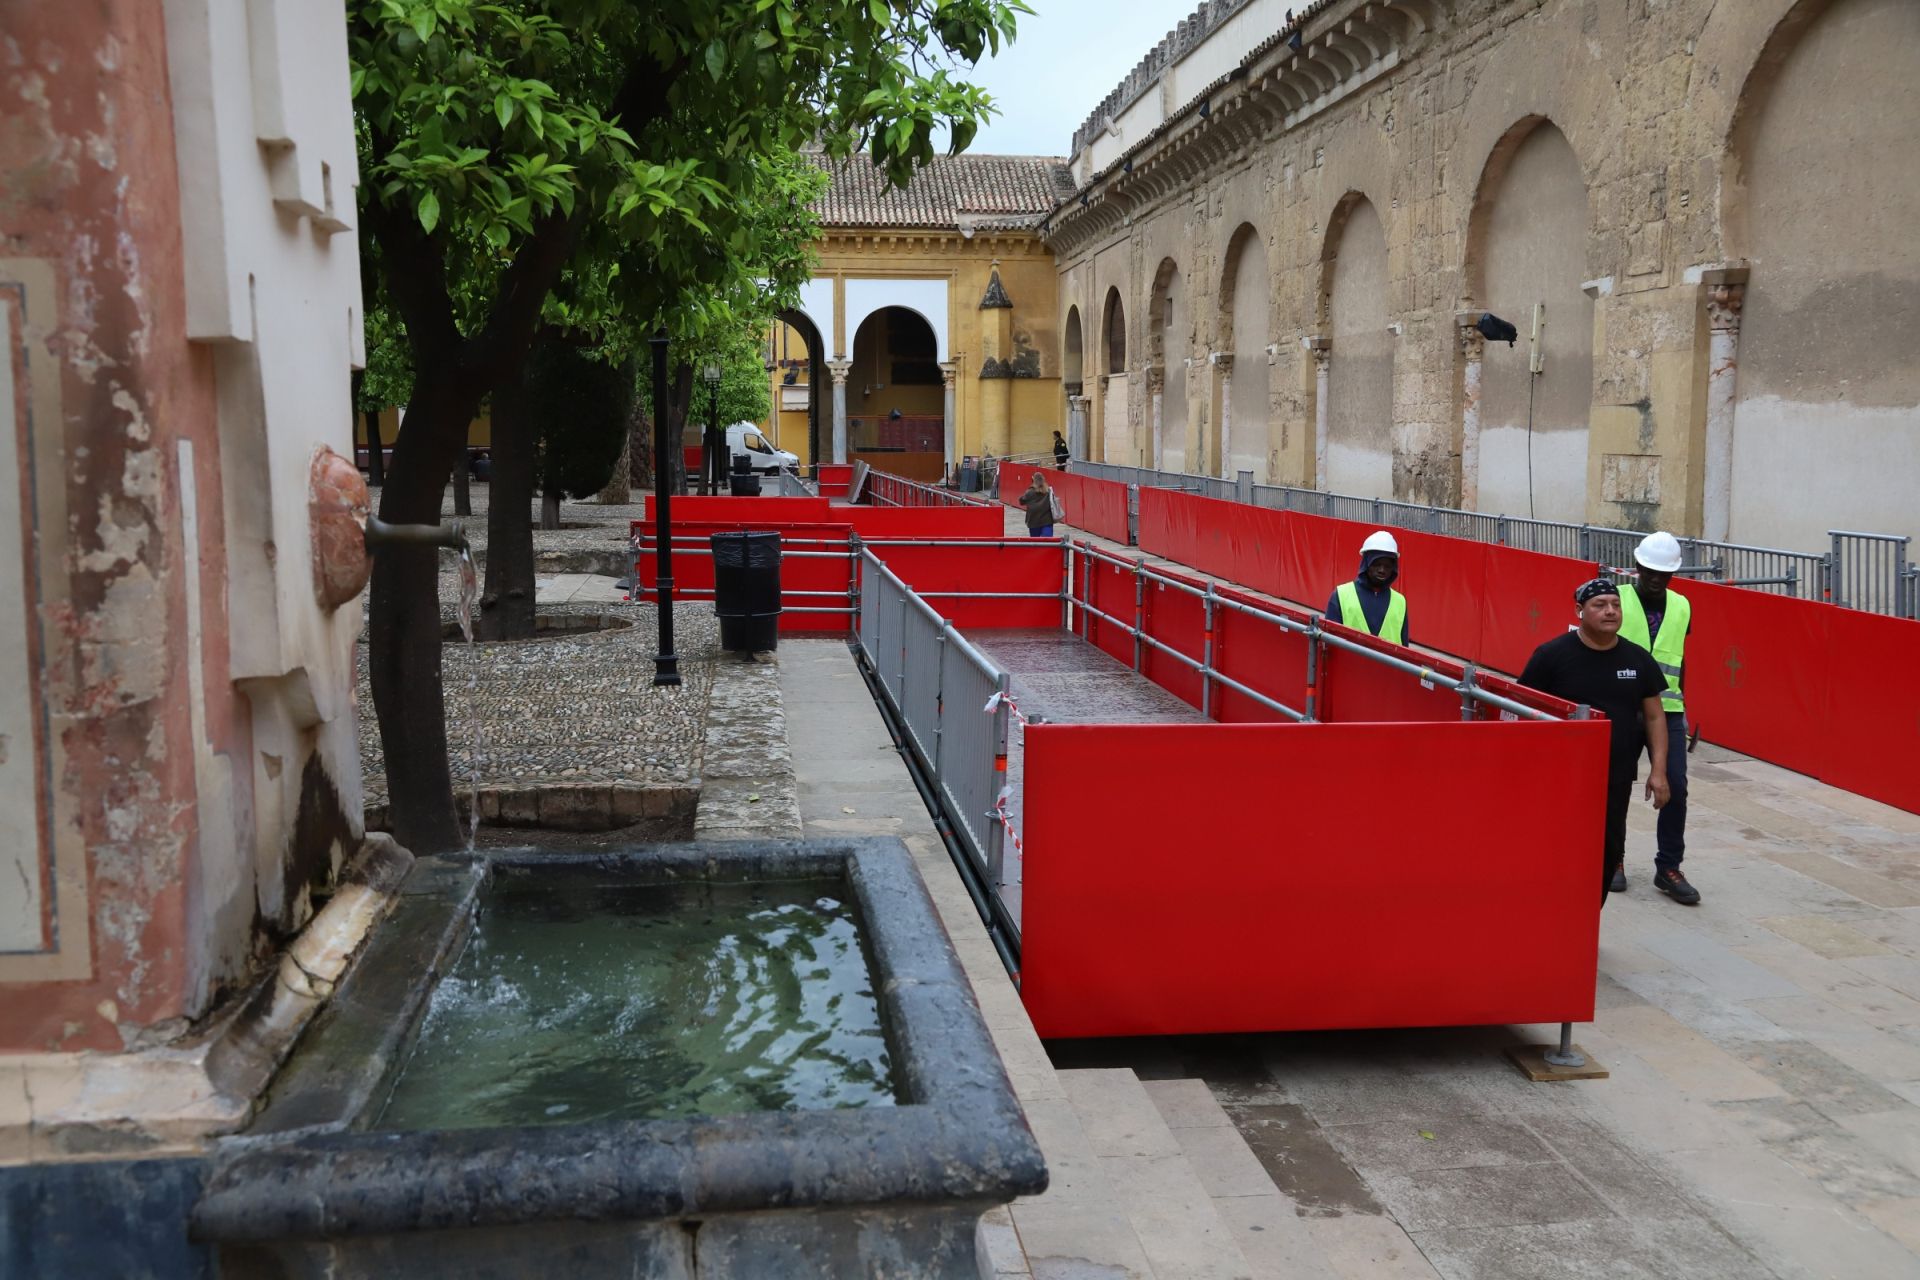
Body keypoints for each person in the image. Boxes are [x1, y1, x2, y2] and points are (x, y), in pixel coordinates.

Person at [1518, 579, 1671, 906]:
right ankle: (1547, 917)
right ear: (1579, 611)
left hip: (1614, 778)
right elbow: (1521, 710)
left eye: (1615, 605)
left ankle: (1586, 923)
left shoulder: (1637, 659)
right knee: (1556, 850)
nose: (1610, 611)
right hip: (1560, 779)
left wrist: (1658, 771)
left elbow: (1656, 718)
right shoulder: (1551, 656)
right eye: (1600, 605)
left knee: (1608, 851)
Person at [1614, 531, 1698, 903]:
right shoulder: (1614, 599)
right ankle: (1612, 858)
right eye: (1650, 571)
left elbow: (1679, 658)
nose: (1655, 578)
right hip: (1622, 707)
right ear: (1637, 567)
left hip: (1668, 711)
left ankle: (1668, 867)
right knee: (1615, 786)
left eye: (1663, 574)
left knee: (1675, 787)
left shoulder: (1682, 606)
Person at [1325, 530, 1410, 645]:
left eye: (1387, 566)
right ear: (1366, 563)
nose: (1382, 570)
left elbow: (1404, 649)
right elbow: (1328, 645)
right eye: (1376, 564)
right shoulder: (1340, 595)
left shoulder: (1400, 602)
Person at [1020, 473, 1057, 537]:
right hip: (1047, 521)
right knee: (1047, 542)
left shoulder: (1030, 492)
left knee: (1035, 543)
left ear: (1033, 480)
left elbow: (1021, 501)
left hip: (1034, 521)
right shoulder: (1048, 491)